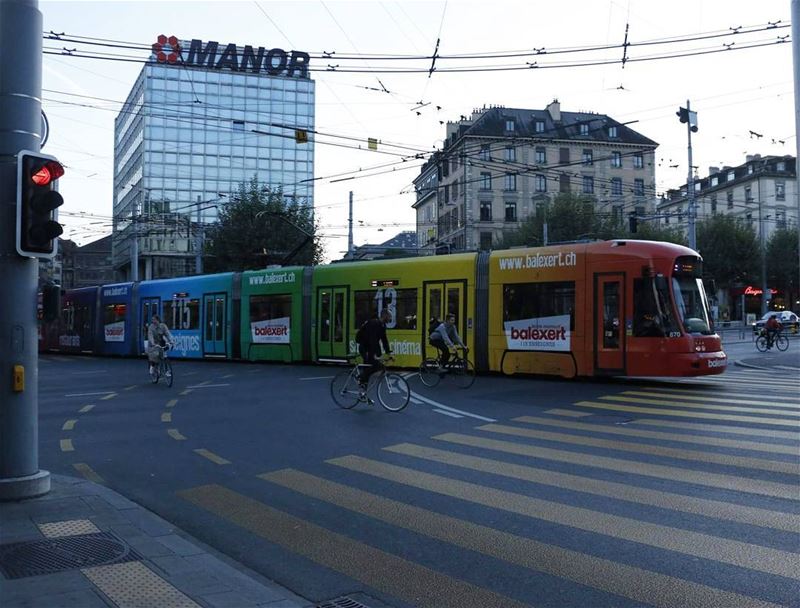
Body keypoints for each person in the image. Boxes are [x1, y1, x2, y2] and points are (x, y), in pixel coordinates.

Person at [356, 308, 392, 390]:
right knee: (374, 365)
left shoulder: (382, 326)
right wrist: (377, 354)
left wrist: (388, 352)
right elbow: (373, 340)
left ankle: (363, 390)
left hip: (369, 348)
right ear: (385, 316)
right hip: (365, 348)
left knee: (371, 367)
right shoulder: (374, 323)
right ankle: (361, 379)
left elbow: (384, 340)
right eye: (389, 316)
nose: (390, 318)